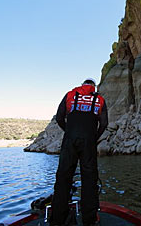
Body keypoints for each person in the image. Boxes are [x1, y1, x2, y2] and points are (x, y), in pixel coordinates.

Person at [50, 78, 108, 226]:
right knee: (89, 179)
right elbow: (104, 123)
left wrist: (68, 131)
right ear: (93, 87)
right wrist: (94, 137)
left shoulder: (70, 95)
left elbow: (59, 116)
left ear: (82, 85)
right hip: (88, 141)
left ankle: (57, 219)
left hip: (70, 139)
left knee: (63, 178)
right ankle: (89, 219)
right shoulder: (99, 99)